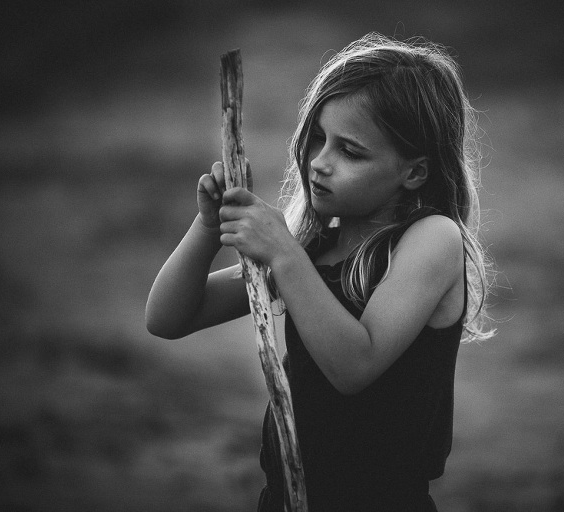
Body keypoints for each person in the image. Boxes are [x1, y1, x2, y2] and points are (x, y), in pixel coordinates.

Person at [146, 32, 493, 512]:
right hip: (291, 499)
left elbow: (355, 365)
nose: (319, 163)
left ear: (414, 173)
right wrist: (209, 227)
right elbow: (168, 318)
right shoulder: (314, 250)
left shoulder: (432, 240)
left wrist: (284, 255)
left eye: (350, 152)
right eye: (316, 139)